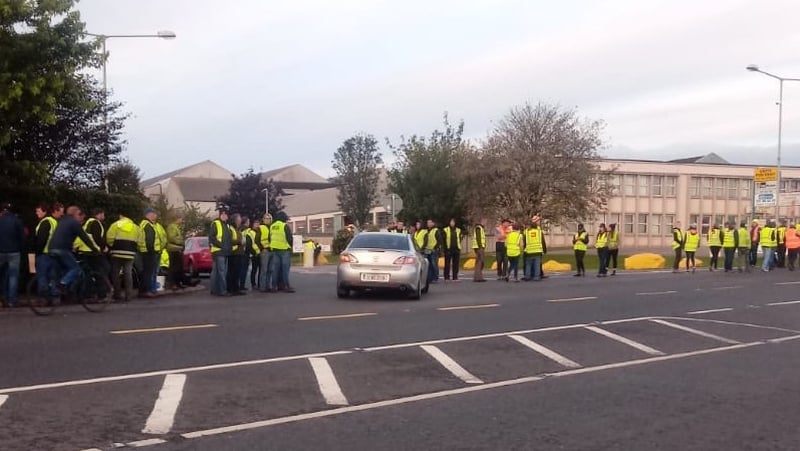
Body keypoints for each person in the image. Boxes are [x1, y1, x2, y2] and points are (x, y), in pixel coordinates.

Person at [47, 206, 100, 294]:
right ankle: (62, 284)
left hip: (52, 248)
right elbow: (85, 238)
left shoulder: (62, 221)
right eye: (79, 214)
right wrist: (95, 250)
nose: (80, 217)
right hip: (62, 249)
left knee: (62, 270)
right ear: (75, 214)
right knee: (76, 269)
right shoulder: (74, 223)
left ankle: (53, 289)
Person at [74, 208, 109, 298]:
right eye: (103, 215)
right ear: (100, 214)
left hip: (83, 251)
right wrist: (104, 247)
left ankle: (88, 295)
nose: (104, 217)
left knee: (88, 274)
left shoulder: (87, 222)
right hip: (92, 252)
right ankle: (101, 295)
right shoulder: (95, 223)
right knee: (102, 271)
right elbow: (97, 237)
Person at [107, 213, 139, 302]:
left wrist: (112, 246)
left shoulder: (115, 225)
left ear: (121, 216)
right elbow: (140, 240)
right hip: (130, 253)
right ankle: (128, 295)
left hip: (117, 253)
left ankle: (117, 294)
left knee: (115, 273)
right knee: (128, 273)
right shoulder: (135, 227)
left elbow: (109, 238)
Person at [34, 203, 61, 300]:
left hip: (44, 254)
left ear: (44, 211)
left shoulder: (45, 222)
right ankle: (54, 296)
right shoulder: (55, 222)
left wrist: (38, 252)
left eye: (38, 211)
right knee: (53, 276)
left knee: (42, 276)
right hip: (54, 253)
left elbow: (42, 239)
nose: (36, 213)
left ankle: (44, 298)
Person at [0, 202, 24, 307]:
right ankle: (12, 300)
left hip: (0, 252)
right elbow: (22, 237)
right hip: (14, 252)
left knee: (2, 276)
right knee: (13, 276)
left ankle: (2, 298)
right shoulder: (17, 221)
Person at [137, 208, 162, 298]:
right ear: (149, 214)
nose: (156, 216)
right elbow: (149, 240)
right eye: (154, 214)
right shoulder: (148, 225)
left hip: (145, 251)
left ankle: (144, 290)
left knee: (146, 272)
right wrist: (152, 250)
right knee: (148, 272)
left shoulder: (144, 224)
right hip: (149, 252)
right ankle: (146, 290)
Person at [166, 213, 194, 290]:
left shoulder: (176, 227)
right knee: (174, 267)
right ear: (177, 219)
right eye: (181, 218)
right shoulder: (172, 227)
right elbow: (172, 238)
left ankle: (178, 283)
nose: (181, 220)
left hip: (177, 248)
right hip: (173, 249)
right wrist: (181, 241)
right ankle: (173, 284)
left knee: (179, 267)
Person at [209, 208, 232, 296]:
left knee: (216, 271)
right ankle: (222, 290)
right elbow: (212, 237)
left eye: (225, 214)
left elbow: (229, 239)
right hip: (219, 251)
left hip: (223, 251)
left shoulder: (227, 225)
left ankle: (215, 290)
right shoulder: (216, 223)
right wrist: (221, 245)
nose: (224, 216)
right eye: (223, 214)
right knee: (221, 272)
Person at [269, 211, 294, 292]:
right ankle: (286, 286)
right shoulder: (284, 226)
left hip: (275, 250)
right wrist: (290, 247)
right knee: (285, 269)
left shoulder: (272, 226)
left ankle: (274, 286)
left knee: (275, 269)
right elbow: (289, 238)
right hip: (284, 250)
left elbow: (270, 238)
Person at [227, 213, 245, 295]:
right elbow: (229, 240)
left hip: (239, 253)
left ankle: (236, 289)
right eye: (239, 219)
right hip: (233, 253)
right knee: (232, 272)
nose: (240, 220)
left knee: (237, 272)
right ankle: (231, 289)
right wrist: (239, 242)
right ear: (235, 220)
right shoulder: (231, 229)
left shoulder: (238, 229)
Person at [523, 217, 545, 281]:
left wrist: (525, 249)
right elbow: (542, 241)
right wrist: (544, 249)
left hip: (529, 251)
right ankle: (536, 277)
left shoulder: (526, 232)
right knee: (537, 265)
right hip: (537, 250)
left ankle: (527, 276)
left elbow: (524, 241)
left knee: (528, 264)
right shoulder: (539, 232)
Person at [255, 214, 272, 292]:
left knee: (270, 270)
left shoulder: (272, 227)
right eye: (266, 218)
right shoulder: (261, 228)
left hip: (271, 250)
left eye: (269, 219)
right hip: (265, 251)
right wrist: (262, 248)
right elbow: (257, 240)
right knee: (264, 270)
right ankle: (262, 287)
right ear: (263, 219)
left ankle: (268, 286)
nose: (267, 220)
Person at [247, 219, 261, 289]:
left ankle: (260, 283)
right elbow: (249, 244)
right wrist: (252, 253)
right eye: (256, 224)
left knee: (261, 270)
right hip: (255, 254)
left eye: (258, 224)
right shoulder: (250, 232)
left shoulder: (260, 232)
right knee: (254, 269)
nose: (257, 225)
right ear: (253, 224)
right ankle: (253, 284)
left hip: (261, 253)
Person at [471, 218, 487, 283]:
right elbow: (478, 238)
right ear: (482, 221)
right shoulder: (478, 228)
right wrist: (480, 246)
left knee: (479, 262)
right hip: (479, 247)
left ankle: (478, 276)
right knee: (480, 262)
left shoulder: (481, 228)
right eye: (485, 221)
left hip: (480, 247)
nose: (486, 223)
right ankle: (478, 277)